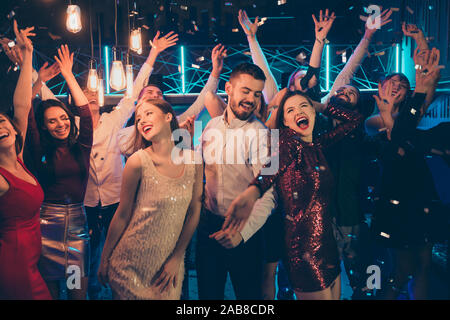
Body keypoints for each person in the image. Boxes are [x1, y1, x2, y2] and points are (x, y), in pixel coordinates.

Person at [222, 90, 363, 300]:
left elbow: (356, 120)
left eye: (304, 107)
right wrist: (254, 190)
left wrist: (322, 106)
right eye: (291, 110)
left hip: (328, 246)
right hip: (304, 251)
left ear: (314, 113)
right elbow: (271, 168)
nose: (298, 112)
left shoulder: (317, 145)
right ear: (286, 121)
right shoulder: (288, 143)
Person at [81, 30, 178, 300]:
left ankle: (118, 293)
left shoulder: (114, 121)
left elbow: (134, 92)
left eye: (92, 95)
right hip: (85, 202)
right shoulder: (73, 128)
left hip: (114, 198)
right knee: (85, 258)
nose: (90, 97)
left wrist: (154, 54)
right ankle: (89, 294)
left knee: (119, 252)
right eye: (84, 95)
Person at [98, 99, 202, 299]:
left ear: (168, 116)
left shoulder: (194, 161)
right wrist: (105, 259)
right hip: (129, 266)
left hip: (168, 269)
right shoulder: (138, 161)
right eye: (138, 119)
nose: (141, 121)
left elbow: (194, 212)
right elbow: (122, 214)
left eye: (148, 114)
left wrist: (177, 257)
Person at [365, 47, 442, 300]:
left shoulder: (413, 112)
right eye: (392, 81)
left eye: (403, 83)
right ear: (380, 87)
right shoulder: (372, 121)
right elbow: (397, 133)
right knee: (402, 269)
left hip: (421, 193)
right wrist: (418, 92)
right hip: (394, 199)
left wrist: (423, 79)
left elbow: (427, 91)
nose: (398, 85)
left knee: (424, 264)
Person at [196, 62, 277, 300]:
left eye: (256, 93)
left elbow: (270, 194)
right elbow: (198, 171)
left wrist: (243, 233)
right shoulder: (210, 126)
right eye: (245, 91)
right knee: (208, 297)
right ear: (228, 88)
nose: (251, 99)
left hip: (245, 230)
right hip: (208, 227)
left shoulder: (262, 134)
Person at [24, 44, 92, 300]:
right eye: (52, 121)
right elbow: (28, 108)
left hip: (76, 228)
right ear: (45, 126)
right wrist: (38, 80)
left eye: (63, 118)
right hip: (45, 227)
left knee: (77, 293)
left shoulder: (80, 147)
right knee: (49, 294)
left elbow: (84, 113)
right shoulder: (39, 147)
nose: (60, 124)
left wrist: (68, 75)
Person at [0, 20, 51, 300]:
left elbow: (22, 105)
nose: (1, 127)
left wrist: (27, 54)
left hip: (32, 261)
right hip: (13, 266)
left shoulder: (16, 159)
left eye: (2, 122)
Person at [118, 43, 228, 157]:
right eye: (149, 93)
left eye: (159, 94)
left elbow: (200, 103)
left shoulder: (176, 122)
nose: (155, 95)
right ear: (138, 102)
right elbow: (126, 147)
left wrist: (216, 71)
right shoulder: (124, 134)